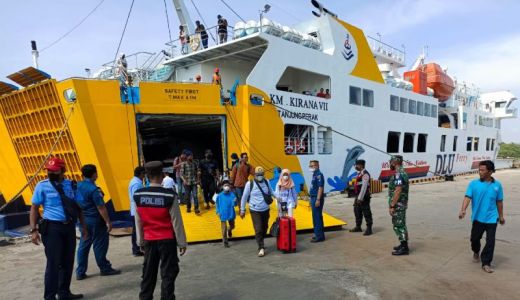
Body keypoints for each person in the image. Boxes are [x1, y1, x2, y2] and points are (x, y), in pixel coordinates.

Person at [29, 157, 87, 300]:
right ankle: (49, 297)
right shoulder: (42, 186)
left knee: (68, 261)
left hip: (69, 228)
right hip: (52, 228)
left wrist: (83, 227)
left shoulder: (71, 185)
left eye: (54, 170)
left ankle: (64, 293)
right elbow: (34, 208)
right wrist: (33, 230)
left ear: (63, 170)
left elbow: (79, 208)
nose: (51, 173)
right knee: (53, 263)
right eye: (49, 170)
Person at [134, 161, 187, 300]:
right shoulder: (169, 195)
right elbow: (176, 221)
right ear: (162, 175)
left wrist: (140, 241)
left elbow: (138, 221)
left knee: (148, 273)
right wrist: (182, 242)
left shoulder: (138, 195)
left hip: (149, 240)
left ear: (147, 175)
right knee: (168, 273)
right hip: (167, 240)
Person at [459, 160, 505, 273]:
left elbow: (499, 202)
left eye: (482, 170)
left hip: (491, 218)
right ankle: (476, 251)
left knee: (490, 242)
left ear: (490, 171)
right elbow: (467, 197)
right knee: (474, 239)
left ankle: (486, 263)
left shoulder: (497, 185)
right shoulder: (473, 184)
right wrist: (463, 210)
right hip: (477, 218)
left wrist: (501, 216)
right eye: (479, 170)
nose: (480, 172)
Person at [75, 164, 121, 280]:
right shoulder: (94, 190)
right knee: (99, 244)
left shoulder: (77, 186)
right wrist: (108, 222)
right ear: (95, 174)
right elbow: (101, 207)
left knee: (83, 245)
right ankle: (104, 268)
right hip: (95, 220)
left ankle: (80, 272)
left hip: (82, 219)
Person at [240, 167, 274, 257]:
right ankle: (261, 247)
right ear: (254, 175)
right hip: (255, 210)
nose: (260, 176)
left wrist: (279, 198)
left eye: (261, 174)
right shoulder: (249, 184)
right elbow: (244, 197)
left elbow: (272, 192)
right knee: (258, 229)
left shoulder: (267, 181)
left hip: (265, 209)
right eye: (258, 175)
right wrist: (242, 210)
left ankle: (261, 241)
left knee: (265, 227)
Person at [388, 155, 410, 255]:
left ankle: (404, 248)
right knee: (400, 224)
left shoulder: (398, 174)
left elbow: (398, 190)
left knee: (399, 225)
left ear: (395, 162)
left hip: (398, 204)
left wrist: (392, 205)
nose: (390, 163)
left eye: (391, 161)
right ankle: (402, 244)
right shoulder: (402, 172)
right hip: (401, 203)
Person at [349, 159, 373, 236]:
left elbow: (364, 187)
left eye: (356, 165)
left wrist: (360, 198)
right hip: (358, 196)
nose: (355, 166)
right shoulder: (359, 174)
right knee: (357, 211)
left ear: (361, 165)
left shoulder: (365, 174)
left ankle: (369, 228)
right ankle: (358, 226)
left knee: (366, 212)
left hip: (364, 197)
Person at [129, 166, 145, 256]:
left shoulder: (135, 181)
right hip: (136, 210)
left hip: (134, 209)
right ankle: (136, 249)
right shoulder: (136, 184)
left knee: (136, 230)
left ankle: (137, 248)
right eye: (144, 174)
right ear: (141, 174)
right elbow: (137, 197)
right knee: (137, 230)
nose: (144, 176)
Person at [216, 180, 236, 248]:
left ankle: (229, 230)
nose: (227, 187)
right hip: (223, 214)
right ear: (222, 187)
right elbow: (217, 205)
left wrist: (235, 202)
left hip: (231, 213)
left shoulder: (232, 194)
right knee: (223, 230)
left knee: (232, 226)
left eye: (228, 185)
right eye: (225, 186)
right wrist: (218, 212)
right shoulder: (219, 196)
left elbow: (235, 205)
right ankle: (225, 242)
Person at [309, 160, 325, 242]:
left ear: (317, 166)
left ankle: (319, 236)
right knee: (315, 217)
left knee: (317, 217)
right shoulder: (314, 174)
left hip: (316, 198)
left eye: (312, 166)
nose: (311, 167)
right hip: (313, 197)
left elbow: (320, 188)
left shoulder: (319, 175)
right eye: (310, 166)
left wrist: (318, 199)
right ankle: (318, 234)